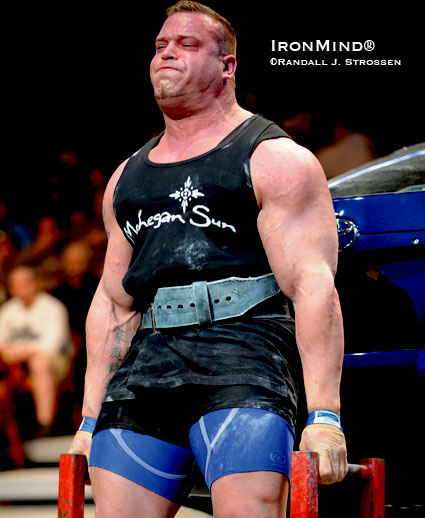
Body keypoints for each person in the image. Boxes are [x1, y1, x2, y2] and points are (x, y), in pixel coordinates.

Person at [69, 2, 347, 517]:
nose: (167, 53)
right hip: (147, 368)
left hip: (243, 357)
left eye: (187, 44)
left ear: (228, 65)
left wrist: (325, 415)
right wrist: (89, 420)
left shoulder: (272, 158)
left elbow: (313, 286)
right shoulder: (126, 177)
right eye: (160, 46)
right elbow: (113, 304)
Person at [0, 265, 72, 434]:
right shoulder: (7, 310)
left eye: (24, 283)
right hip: (14, 361)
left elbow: (51, 345)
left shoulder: (53, 307)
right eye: (15, 284)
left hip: (53, 360)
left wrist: (21, 351)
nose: (20, 288)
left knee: (39, 363)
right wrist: (14, 353)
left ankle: (45, 423)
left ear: (35, 283)